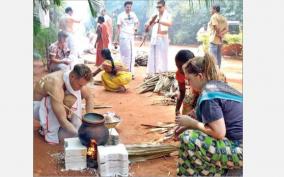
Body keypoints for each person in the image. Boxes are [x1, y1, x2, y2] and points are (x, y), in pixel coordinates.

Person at [175, 53, 243, 176]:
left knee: (189, 138)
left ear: (199, 76)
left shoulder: (208, 95)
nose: (188, 84)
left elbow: (219, 133)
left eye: (189, 79)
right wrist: (189, 123)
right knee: (193, 134)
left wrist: (192, 124)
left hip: (240, 150)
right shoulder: (218, 86)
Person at [33, 64, 94, 144]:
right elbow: (62, 119)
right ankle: (49, 132)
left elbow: (89, 98)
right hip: (37, 108)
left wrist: (89, 122)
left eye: (83, 85)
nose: (81, 87)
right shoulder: (55, 84)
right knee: (65, 101)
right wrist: (79, 134)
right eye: (80, 85)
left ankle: (71, 126)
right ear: (72, 77)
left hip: (54, 102)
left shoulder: (76, 80)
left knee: (74, 97)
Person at [114, 1, 139, 79]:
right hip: (123, 36)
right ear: (124, 7)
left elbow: (137, 23)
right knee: (123, 54)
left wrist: (135, 29)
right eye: (127, 7)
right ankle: (123, 71)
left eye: (130, 7)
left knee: (131, 54)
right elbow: (118, 28)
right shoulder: (120, 15)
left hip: (130, 36)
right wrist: (116, 39)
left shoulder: (133, 14)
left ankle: (130, 73)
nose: (129, 8)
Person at [146, 0, 172, 74]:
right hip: (155, 36)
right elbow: (149, 24)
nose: (158, 8)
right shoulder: (155, 15)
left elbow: (169, 23)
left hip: (164, 37)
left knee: (164, 55)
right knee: (154, 55)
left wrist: (159, 21)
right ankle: (153, 72)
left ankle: (164, 71)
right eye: (157, 7)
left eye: (160, 7)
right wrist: (148, 26)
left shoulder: (168, 14)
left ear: (164, 6)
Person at [174, 50, 197, 116]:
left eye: (182, 67)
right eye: (177, 66)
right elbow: (182, 92)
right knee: (187, 104)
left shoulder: (199, 74)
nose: (179, 70)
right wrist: (177, 110)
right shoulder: (179, 74)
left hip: (203, 97)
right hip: (194, 96)